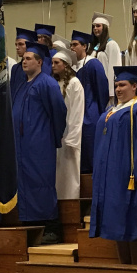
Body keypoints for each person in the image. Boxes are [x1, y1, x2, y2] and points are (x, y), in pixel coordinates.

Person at [90, 66, 137, 264]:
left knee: (133, 223)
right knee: (115, 224)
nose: (118, 89)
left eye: (122, 85)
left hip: (129, 180)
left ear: (134, 86)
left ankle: (136, 269)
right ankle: (124, 268)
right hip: (110, 180)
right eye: (116, 86)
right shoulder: (110, 112)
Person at [13, 41, 67, 238]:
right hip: (22, 146)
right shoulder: (21, 86)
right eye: (23, 58)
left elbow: (59, 111)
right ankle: (31, 224)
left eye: (28, 58)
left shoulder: (47, 83)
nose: (24, 61)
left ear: (39, 62)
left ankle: (50, 226)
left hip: (39, 144)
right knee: (25, 182)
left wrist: (50, 136)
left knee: (41, 182)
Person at [69, 30, 109, 173]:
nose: (72, 48)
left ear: (85, 46)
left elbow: (102, 90)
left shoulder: (93, 64)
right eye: (71, 45)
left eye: (75, 44)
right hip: (76, 116)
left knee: (91, 155)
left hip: (90, 115)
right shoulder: (72, 67)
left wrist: (95, 112)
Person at [52, 46, 84, 203]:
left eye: (56, 62)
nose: (53, 65)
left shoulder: (75, 83)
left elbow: (77, 112)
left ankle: (70, 205)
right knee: (58, 176)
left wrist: (71, 138)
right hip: (58, 135)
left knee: (69, 175)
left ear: (65, 64)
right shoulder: (56, 83)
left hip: (69, 136)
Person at [90, 11, 122, 98]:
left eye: (98, 26)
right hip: (95, 88)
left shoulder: (111, 44)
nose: (95, 28)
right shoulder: (95, 47)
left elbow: (114, 68)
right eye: (94, 26)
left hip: (106, 90)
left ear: (105, 28)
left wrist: (111, 92)